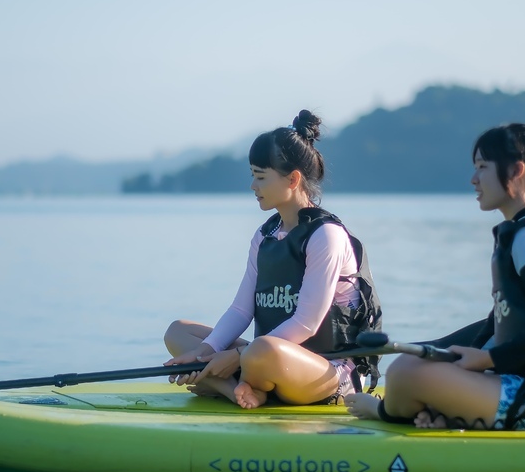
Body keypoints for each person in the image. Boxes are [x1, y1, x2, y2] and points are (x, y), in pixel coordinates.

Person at [345, 121, 525, 429]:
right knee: (416, 364)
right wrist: (449, 356)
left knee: (404, 372)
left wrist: (487, 361)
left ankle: (383, 413)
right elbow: (500, 325)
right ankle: (441, 416)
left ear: (516, 171)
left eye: (482, 167)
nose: (473, 179)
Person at [163, 109, 383, 409]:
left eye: (261, 177)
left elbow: (306, 324)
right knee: (178, 332)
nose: (253, 187)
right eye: (252, 176)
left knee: (260, 350)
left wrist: (237, 356)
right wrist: (205, 351)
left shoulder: (326, 236)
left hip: (327, 371)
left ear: (293, 179)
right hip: (265, 360)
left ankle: (227, 382)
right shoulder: (265, 235)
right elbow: (241, 310)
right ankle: (239, 390)